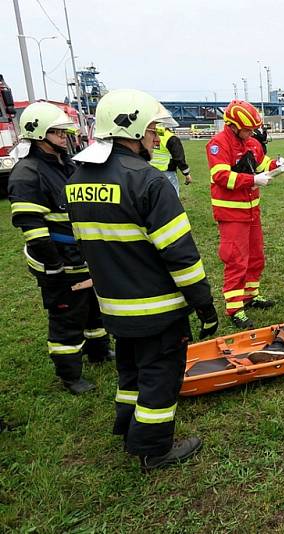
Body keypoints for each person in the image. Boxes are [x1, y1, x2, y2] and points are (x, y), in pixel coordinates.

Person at [66, 89, 218, 470]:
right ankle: (153, 448)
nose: (155, 137)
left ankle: (127, 425)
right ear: (131, 129)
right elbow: (180, 255)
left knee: (130, 368)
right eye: (151, 129)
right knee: (160, 375)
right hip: (157, 307)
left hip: (114, 304)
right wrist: (203, 303)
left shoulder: (78, 178)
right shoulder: (149, 182)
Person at [8, 102, 112, 395]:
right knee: (67, 317)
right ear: (39, 134)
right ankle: (70, 375)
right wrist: (55, 267)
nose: (65, 136)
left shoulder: (67, 164)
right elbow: (36, 233)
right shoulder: (27, 174)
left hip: (83, 257)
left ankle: (99, 351)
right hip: (58, 263)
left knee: (94, 309)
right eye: (57, 132)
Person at [206, 100, 278, 328]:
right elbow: (221, 176)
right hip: (230, 213)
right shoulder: (218, 144)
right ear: (233, 125)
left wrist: (277, 165)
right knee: (236, 259)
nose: (250, 134)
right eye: (247, 129)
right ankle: (235, 307)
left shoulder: (252, 143)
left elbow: (262, 162)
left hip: (250, 210)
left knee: (256, 256)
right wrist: (253, 179)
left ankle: (250, 295)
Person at [149, 126, 192, 194]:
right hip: (167, 172)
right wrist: (186, 174)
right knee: (172, 196)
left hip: (149, 171)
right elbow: (179, 158)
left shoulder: (149, 134)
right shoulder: (171, 138)